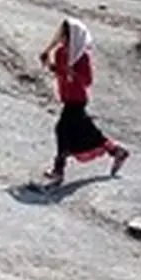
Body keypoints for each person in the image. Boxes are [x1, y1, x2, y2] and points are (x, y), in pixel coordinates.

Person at [38, 16, 129, 185]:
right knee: (88, 134)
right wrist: (49, 63)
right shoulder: (60, 52)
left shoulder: (82, 57)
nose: (61, 39)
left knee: (62, 130)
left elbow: (87, 81)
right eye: (62, 35)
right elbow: (59, 72)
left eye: (65, 36)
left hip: (77, 101)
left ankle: (59, 170)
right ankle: (117, 151)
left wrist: (75, 74)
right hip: (67, 99)